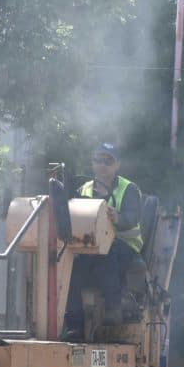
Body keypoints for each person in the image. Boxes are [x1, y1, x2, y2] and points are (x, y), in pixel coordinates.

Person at [63, 142, 146, 338]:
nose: (102, 165)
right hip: (90, 247)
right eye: (98, 160)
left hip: (124, 246)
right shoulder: (83, 189)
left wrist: (118, 217)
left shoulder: (129, 189)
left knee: (108, 251)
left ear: (117, 164)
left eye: (108, 161)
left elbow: (131, 219)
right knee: (69, 267)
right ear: (92, 164)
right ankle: (74, 325)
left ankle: (113, 308)